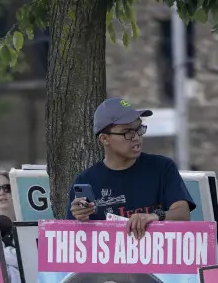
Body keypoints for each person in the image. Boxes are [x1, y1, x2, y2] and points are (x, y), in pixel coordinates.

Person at [69, 98, 194, 239]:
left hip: (157, 257)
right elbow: (72, 239)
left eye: (139, 129)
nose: (137, 138)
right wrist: (79, 218)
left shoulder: (162, 167)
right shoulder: (86, 180)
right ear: (104, 139)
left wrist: (154, 216)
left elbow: (182, 213)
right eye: (127, 132)